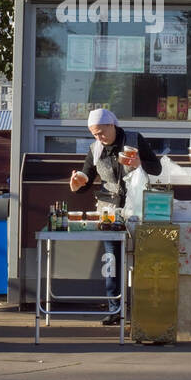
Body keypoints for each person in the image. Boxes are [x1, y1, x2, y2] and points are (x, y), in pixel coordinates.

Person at [69, 107, 161, 324]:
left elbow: (156, 168)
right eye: (94, 134)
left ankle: (146, 308)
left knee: (145, 258)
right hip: (110, 212)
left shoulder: (134, 139)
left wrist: (139, 164)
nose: (99, 137)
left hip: (138, 208)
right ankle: (115, 310)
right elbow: (86, 177)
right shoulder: (95, 149)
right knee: (111, 261)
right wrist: (77, 184)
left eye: (101, 132)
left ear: (112, 125)